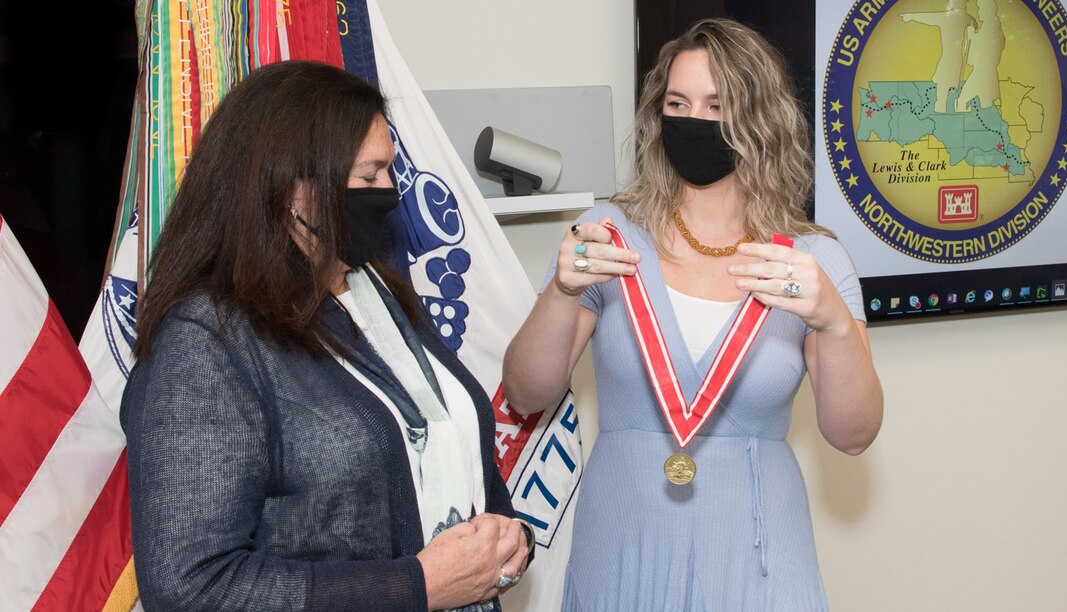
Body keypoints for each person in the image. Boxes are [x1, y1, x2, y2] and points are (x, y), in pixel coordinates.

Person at [120, 60, 533, 612]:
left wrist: (508, 541)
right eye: (368, 177)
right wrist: (417, 586)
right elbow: (191, 586)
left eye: (390, 172)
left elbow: (451, 446)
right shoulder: (207, 341)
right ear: (288, 185)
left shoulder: (377, 290)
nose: (390, 192)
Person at [502, 18, 883, 611]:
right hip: (622, 551)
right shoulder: (611, 235)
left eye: (716, 105)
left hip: (757, 560)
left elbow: (853, 435)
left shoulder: (812, 260)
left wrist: (834, 321)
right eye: (677, 103)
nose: (693, 121)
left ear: (761, 120)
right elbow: (526, 393)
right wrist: (559, 291)